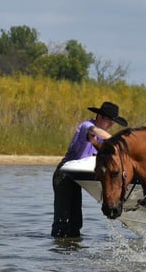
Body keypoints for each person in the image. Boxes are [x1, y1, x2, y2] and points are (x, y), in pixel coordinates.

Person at [52, 101, 128, 238]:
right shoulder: (87, 126)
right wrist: (120, 142)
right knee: (62, 219)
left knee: (75, 220)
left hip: (77, 178)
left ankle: (71, 250)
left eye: (113, 122)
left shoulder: (104, 139)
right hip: (64, 176)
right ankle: (58, 251)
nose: (111, 124)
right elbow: (95, 131)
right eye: (109, 121)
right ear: (99, 116)